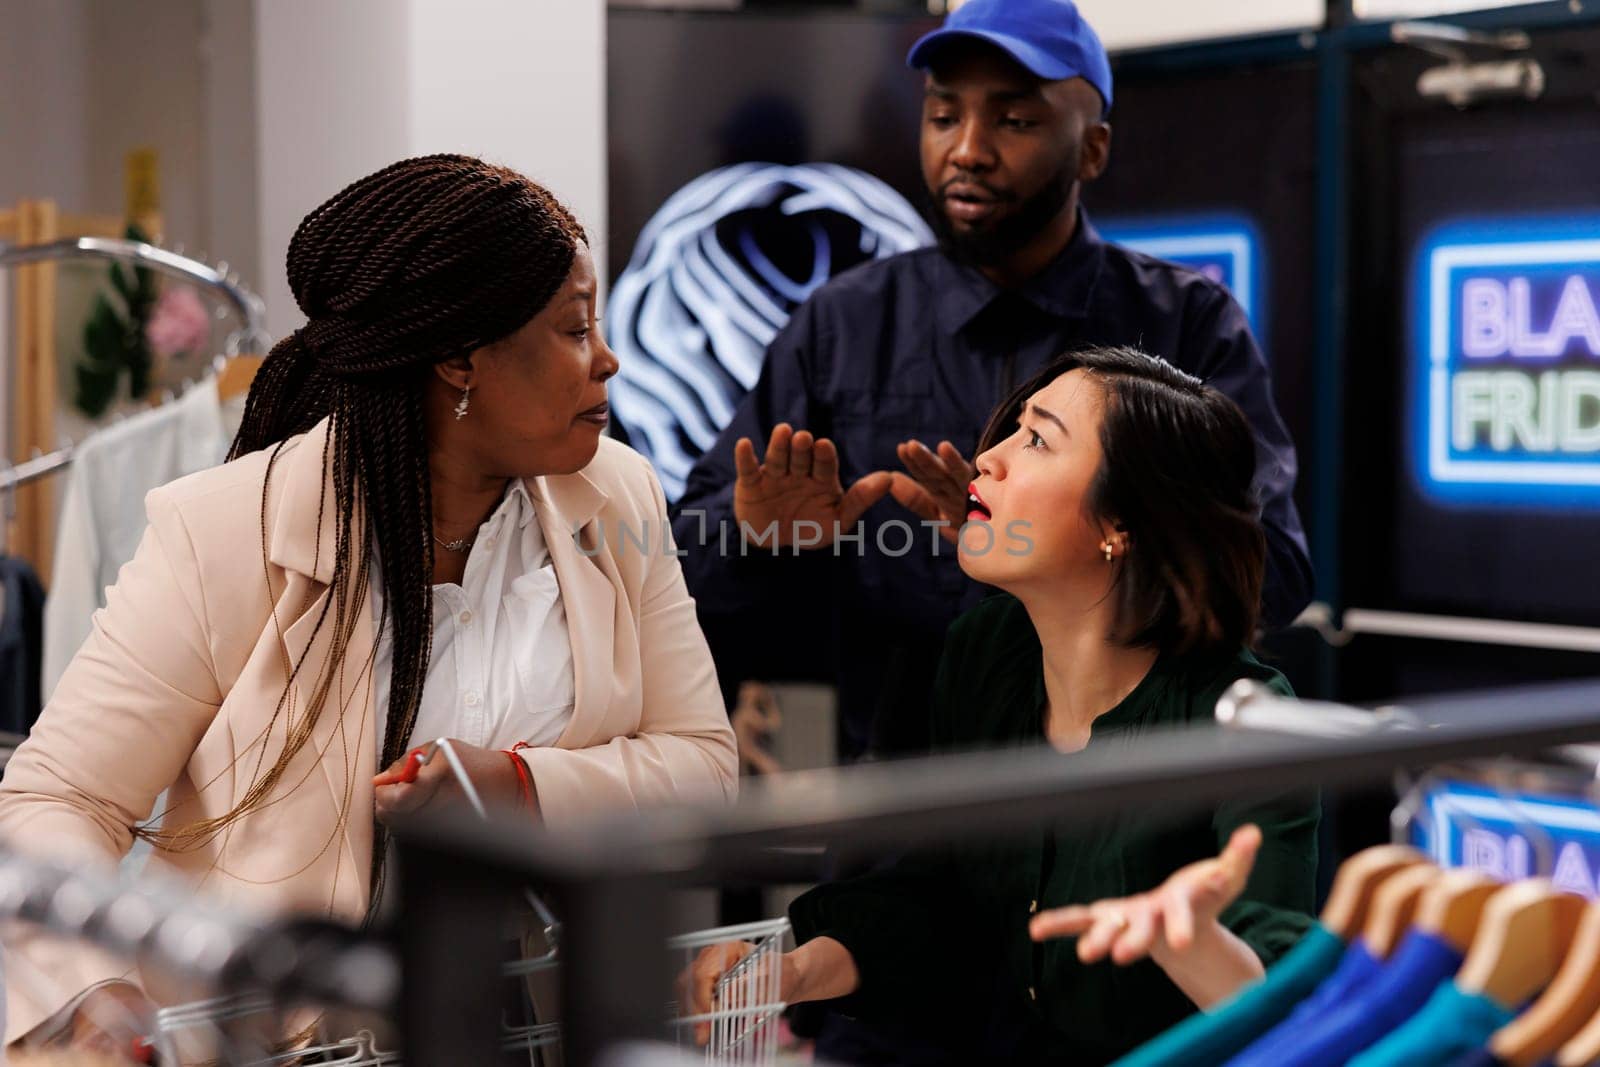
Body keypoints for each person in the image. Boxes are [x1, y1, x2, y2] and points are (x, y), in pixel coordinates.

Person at [0, 155, 738, 1058]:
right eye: (575, 329)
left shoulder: (619, 499)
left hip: (540, 1027)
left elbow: (702, 763)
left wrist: (519, 785)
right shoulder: (227, 531)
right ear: (460, 359)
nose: (608, 360)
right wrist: (96, 995)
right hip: (282, 1036)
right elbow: (58, 795)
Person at [673, 0, 1312, 762]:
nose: (968, 150)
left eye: (1014, 121)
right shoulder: (845, 323)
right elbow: (684, 563)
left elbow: (1271, 566)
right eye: (944, 117)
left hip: (1113, 804)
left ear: (1093, 149)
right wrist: (758, 536)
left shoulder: (1184, 323)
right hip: (898, 810)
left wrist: (1063, 551)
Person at [685, 348, 1320, 1063]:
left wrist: (1194, 941)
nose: (988, 459)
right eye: (1012, 429)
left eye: (1039, 439)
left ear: (1121, 524)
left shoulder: (1245, 720)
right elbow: (939, 899)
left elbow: (1288, 1004)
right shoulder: (987, 651)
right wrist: (793, 970)